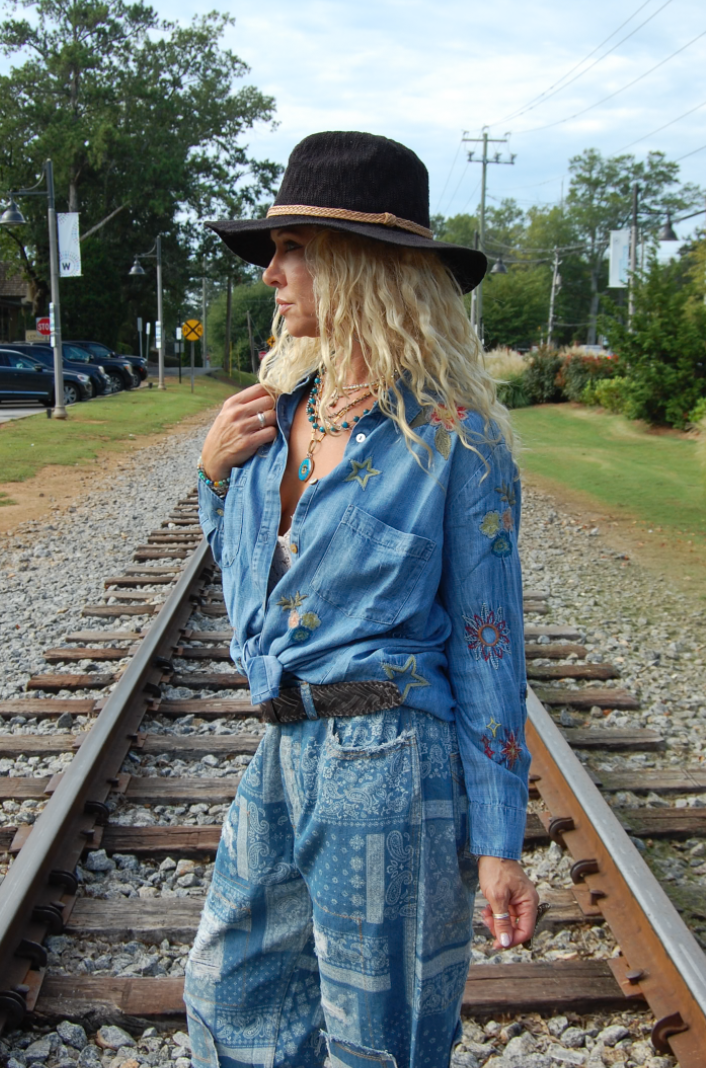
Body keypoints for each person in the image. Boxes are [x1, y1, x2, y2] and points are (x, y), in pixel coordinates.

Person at [184, 131, 539, 1068]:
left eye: (293, 249)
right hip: (282, 749)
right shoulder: (271, 417)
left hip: (392, 766)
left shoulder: (455, 440)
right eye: (272, 250)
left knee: (380, 1036)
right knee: (230, 993)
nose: (270, 274)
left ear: (362, 266)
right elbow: (254, 591)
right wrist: (214, 479)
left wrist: (499, 841)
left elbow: (490, 647)